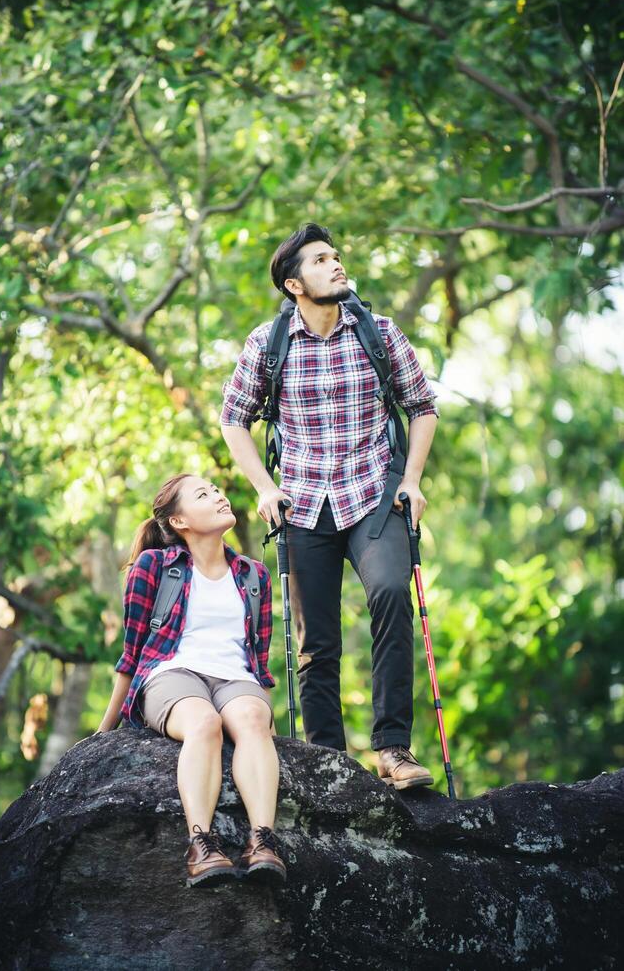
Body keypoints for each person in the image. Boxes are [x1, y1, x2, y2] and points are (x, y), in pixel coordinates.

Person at [220, 223, 439, 790]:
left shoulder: (380, 332)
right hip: (303, 499)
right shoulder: (268, 345)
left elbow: (423, 407)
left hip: (373, 490)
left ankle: (393, 750)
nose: (337, 264)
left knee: (391, 592)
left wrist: (411, 481)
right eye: (321, 260)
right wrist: (265, 488)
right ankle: (330, 764)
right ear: (295, 283)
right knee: (316, 641)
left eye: (336, 256)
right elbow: (233, 420)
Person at [97, 472, 286, 888]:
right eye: (203, 495)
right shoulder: (155, 567)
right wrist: (103, 731)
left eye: (216, 490)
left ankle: (262, 841)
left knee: (253, 722)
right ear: (180, 521)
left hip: (234, 677)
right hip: (171, 674)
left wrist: (264, 709)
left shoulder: (254, 576)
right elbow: (131, 654)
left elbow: (258, 660)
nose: (219, 496)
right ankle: (202, 845)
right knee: (205, 724)